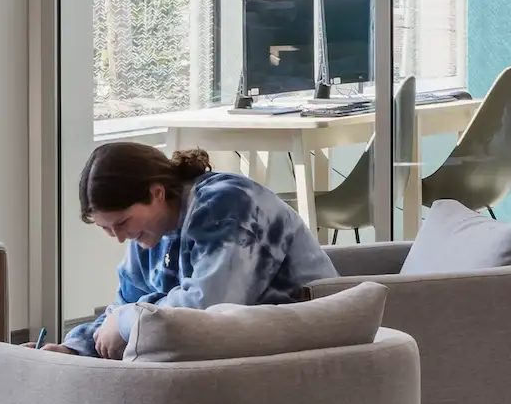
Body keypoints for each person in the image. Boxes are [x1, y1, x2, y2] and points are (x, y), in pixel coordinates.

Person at [62, 142, 336, 357]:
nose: (119, 238)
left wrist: (124, 321)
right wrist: (75, 348)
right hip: (240, 349)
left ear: (156, 194)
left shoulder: (227, 204)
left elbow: (207, 309)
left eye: (122, 222)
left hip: (304, 341)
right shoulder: (147, 235)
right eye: (106, 229)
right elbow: (125, 305)